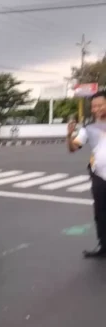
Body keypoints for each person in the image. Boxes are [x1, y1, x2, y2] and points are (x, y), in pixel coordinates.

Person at [66, 91, 106, 258]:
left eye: (100, 105)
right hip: (99, 176)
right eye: (94, 106)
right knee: (100, 212)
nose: (96, 109)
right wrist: (69, 135)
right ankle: (103, 245)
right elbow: (73, 148)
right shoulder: (89, 128)